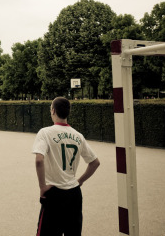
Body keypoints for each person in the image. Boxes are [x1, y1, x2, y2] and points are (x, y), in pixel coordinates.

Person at [32, 97, 100, 236]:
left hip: (54, 193)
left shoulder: (45, 132)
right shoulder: (78, 135)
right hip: (74, 194)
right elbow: (95, 162)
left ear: (53, 111)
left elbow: (39, 160)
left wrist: (42, 187)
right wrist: (80, 180)